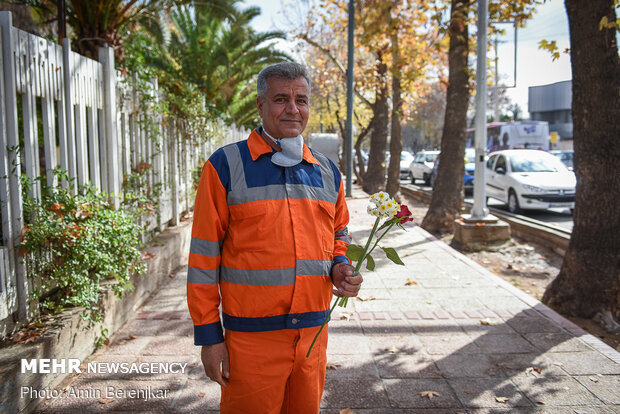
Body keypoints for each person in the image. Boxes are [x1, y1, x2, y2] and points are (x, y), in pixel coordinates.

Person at [186, 62, 362, 413]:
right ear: (260, 105)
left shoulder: (327, 171)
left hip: (312, 336)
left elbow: (339, 232)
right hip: (250, 342)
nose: (293, 109)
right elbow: (204, 258)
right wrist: (209, 337)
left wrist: (340, 264)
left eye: (302, 99)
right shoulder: (225, 166)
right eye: (281, 99)